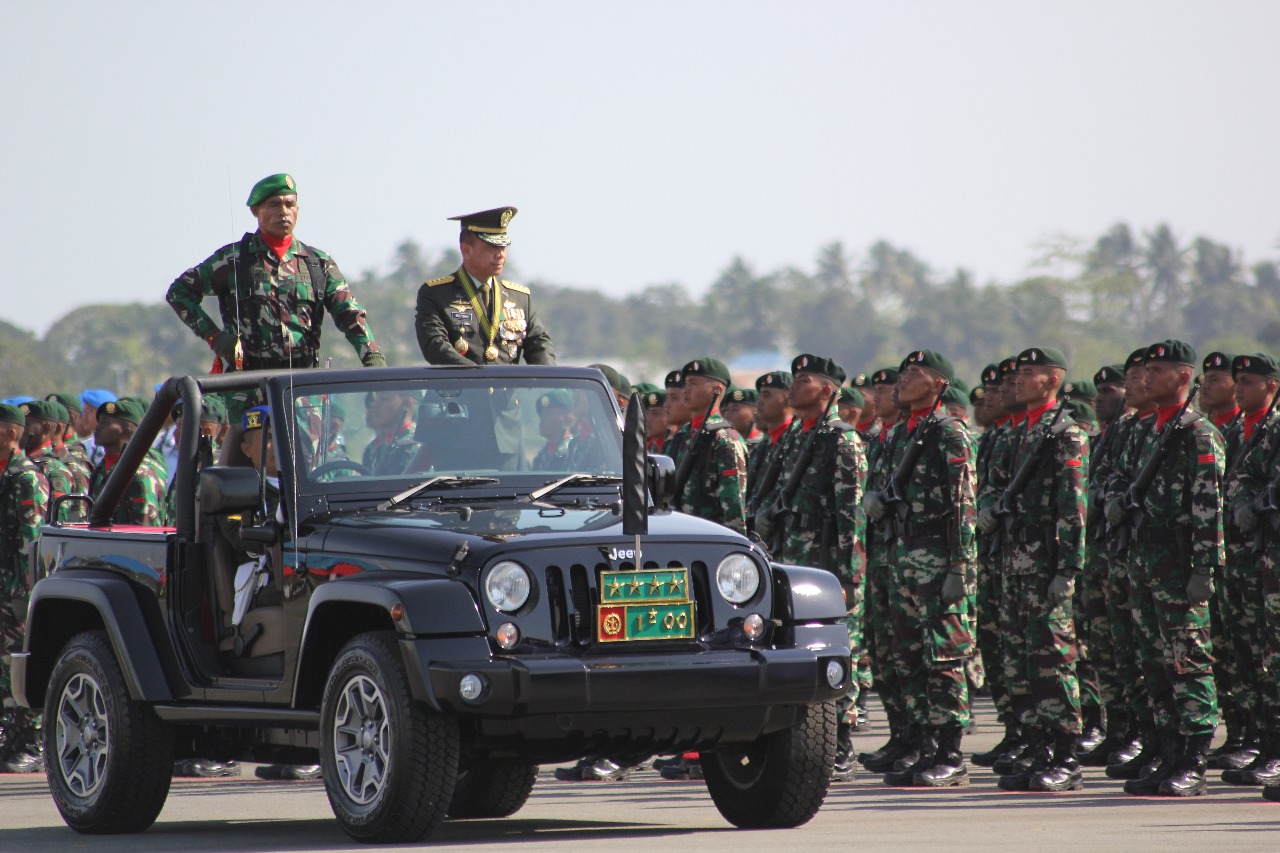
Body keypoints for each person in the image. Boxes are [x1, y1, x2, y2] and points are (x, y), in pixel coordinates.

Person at [1105, 339, 1224, 797]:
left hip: (1179, 564)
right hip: (1144, 560)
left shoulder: (1197, 433)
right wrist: (1116, 500)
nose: (1145, 377)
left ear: (1181, 376)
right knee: (1153, 663)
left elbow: (1209, 507)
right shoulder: (1144, 430)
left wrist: (1204, 568)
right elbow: (1117, 474)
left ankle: (1192, 761)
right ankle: (1167, 750)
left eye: (1157, 370)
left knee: (1187, 662)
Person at [166, 173, 385, 420]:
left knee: (304, 458)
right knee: (246, 455)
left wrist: (373, 357)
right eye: (274, 204)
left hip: (302, 389)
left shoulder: (317, 264)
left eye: (290, 204)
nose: (284, 212)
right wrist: (215, 337)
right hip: (248, 387)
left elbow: (349, 313)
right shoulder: (234, 261)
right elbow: (179, 292)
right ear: (256, 211)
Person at [862, 350, 977, 788]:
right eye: (904, 372)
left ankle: (950, 752)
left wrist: (959, 567)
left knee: (943, 657)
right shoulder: (895, 435)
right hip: (900, 556)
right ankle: (923, 743)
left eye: (915, 374)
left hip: (935, 556)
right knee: (908, 657)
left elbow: (963, 504)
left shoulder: (949, 433)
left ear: (938, 384)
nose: (902, 380)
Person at [754, 354, 866, 781]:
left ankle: (840, 741)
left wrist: (849, 578)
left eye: (804, 380)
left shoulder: (841, 440)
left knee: (831, 650)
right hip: (790, 554)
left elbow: (851, 515)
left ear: (827, 390)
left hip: (823, 561)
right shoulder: (797, 438)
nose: (795, 386)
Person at [984, 347, 1088, 793]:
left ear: (1052, 380)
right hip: (1014, 563)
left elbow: (1073, 507)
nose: (1018, 381)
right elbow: (992, 485)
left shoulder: (1064, 434)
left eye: (1029, 374)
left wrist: (1067, 568)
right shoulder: (1017, 433)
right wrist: (988, 506)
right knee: (1021, 662)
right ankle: (1038, 746)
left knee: (1052, 659)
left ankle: (1066, 755)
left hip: (1045, 564)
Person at [1218, 353, 1280, 789]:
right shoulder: (1248, 431)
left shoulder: (1272, 427)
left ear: (1271, 386)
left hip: (1267, 557)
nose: (1238, 388)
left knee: (1273, 656)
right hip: (1249, 561)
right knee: (1251, 655)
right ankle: (1262, 741)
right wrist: (1246, 502)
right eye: (1236, 380)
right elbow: (1243, 478)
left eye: (1248, 381)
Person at [415, 207, 554, 366]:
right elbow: (435, 346)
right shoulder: (436, 294)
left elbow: (540, 344)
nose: (500, 254)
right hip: (460, 389)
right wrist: (479, 379)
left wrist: (547, 385)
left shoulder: (520, 298)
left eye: (503, 247)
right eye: (492, 247)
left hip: (507, 389)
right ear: (466, 250)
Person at [0, 403, 50, 773]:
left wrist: (27, 593)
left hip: (18, 586)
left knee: (19, 661)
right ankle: (10, 738)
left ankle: (29, 741)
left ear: (11, 432)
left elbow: (33, 541)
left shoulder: (25, 477)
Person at [672, 359, 748, 534]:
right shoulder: (678, 438)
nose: (685, 389)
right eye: (685, 384)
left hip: (709, 537)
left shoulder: (726, 440)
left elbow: (734, 506)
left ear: (717, 390)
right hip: (678, 534)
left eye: (693, 383)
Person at [87, 399, 165, 526]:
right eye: (99, 421)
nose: (97, 427)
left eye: (105, 422)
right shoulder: (100, 470)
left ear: (126, 431)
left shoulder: (138, 473)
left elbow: (144, 531)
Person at [362, 390, 420, 476]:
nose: (375, 404)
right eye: (376, 398)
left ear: (407, 404)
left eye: (384, 398)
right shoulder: (379, 447)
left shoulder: (416, 446)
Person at [532, 391, 575, 470]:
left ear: (568, 418)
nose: (542, 419)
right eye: (541, 414)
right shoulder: (540, 457)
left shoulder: (572, 453)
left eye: (549, 414)